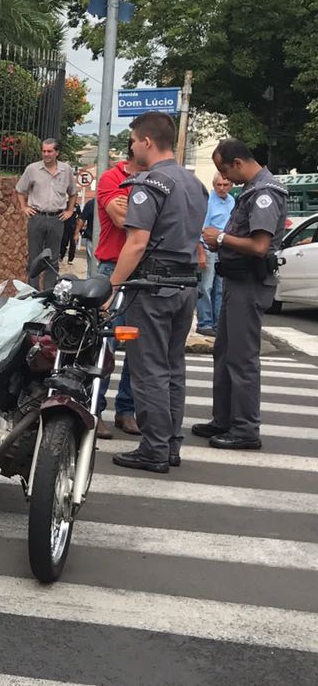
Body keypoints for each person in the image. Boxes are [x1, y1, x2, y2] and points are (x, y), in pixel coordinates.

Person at [105, 111, 207, 474]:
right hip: (185, 287)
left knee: (148, 370)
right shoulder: (196, 184)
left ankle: (154, 449)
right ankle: (170, 445)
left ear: (146, 141)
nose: (131, 147)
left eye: (133, 141)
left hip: (152, 288)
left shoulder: (150, 184)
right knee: (173, 368)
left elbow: (135, 242)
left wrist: (112, 286)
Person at [192, 139, 288, 451]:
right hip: (237, 281)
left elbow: (260, 246)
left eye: (224, 170)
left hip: (250, 282)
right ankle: (224, 419)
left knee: (242, 359)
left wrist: (221, 237)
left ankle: (245, 429)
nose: (225, 178)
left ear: (237, 162)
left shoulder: (263, 192)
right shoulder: (250, 189)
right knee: (225, 353)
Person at [93, 140, 139, 438]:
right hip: (111, 269)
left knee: (138, 346)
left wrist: (133, 206)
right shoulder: (112, 177)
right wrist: (148, 212)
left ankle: (127, 410)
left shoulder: (155, 180)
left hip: (143, 271)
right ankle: (94, 409)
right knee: (103, 346)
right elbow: (120, 220)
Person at [14, 138, 78, 290]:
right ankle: (32, 293)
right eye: (44, 151)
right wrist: (24, 207)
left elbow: (73, 192)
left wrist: (70, 210)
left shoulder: (66, 170)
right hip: (37, 217)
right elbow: (20, 190)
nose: (46, 154)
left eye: (50, 151)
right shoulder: (32, 169)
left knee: (53, 260)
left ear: (57, 152)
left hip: (57, 219)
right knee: (34, 258)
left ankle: (49, 292)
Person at [195, 172, 234, 335]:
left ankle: (218, 324)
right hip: (209, 248)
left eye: (225, 185)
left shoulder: (232, 201)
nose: (222, 188)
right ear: (213, 185)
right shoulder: (208, 202)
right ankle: (205, 323)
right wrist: (201, 253)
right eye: (219, 185)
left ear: (231, 186)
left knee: (220, 289)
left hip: (225, 248)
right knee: (206, 287)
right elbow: (200, 228)